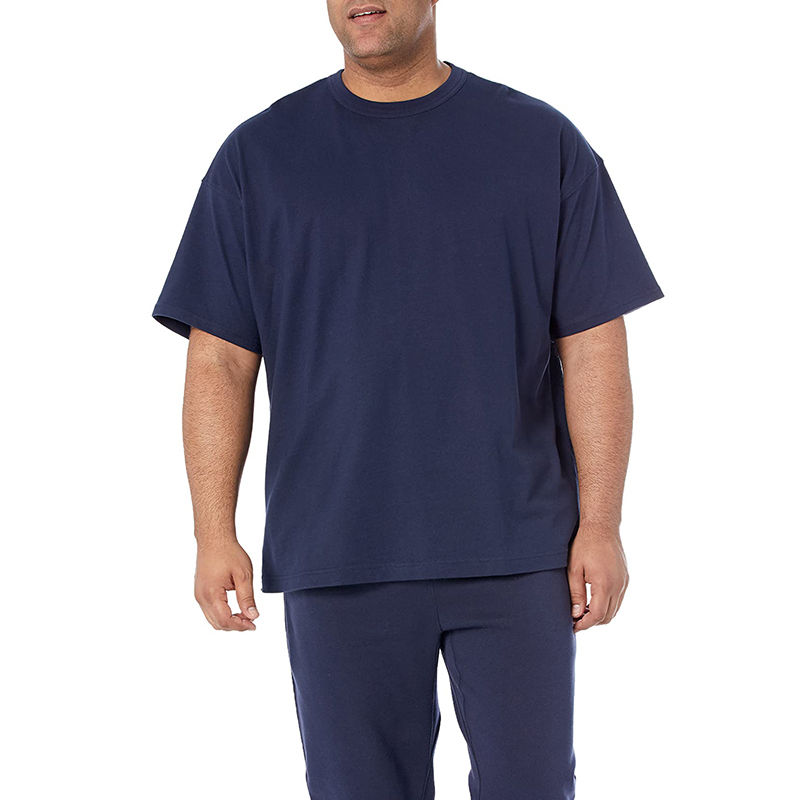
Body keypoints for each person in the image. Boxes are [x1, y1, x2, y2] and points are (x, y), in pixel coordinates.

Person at [151, 1, 665, 797]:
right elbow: (219, 360)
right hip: (337, 548)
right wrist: (212, 532)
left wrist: (601, 522)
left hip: (518, 547)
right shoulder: (259, 157)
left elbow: (593, 344)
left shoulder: (541, 144)